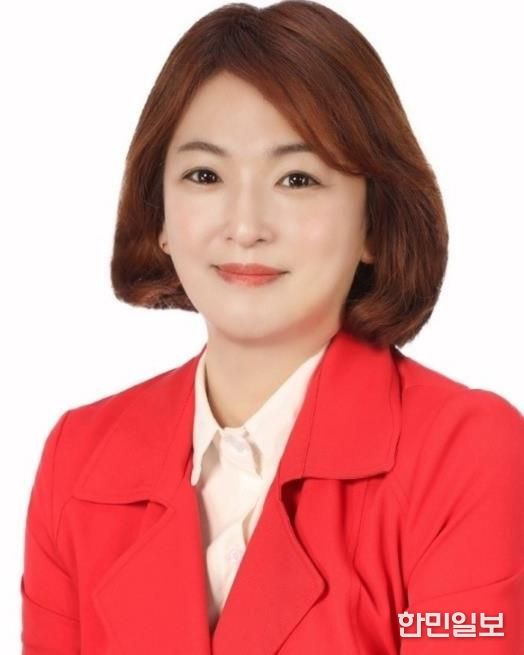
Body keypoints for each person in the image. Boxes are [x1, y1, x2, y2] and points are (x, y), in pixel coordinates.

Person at [20, 1, 523, 653]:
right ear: (160, 216)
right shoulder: (79, 456)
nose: (246, 225)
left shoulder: (468, 454)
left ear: (373, 224)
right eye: (205, 175)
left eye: (297, 178)